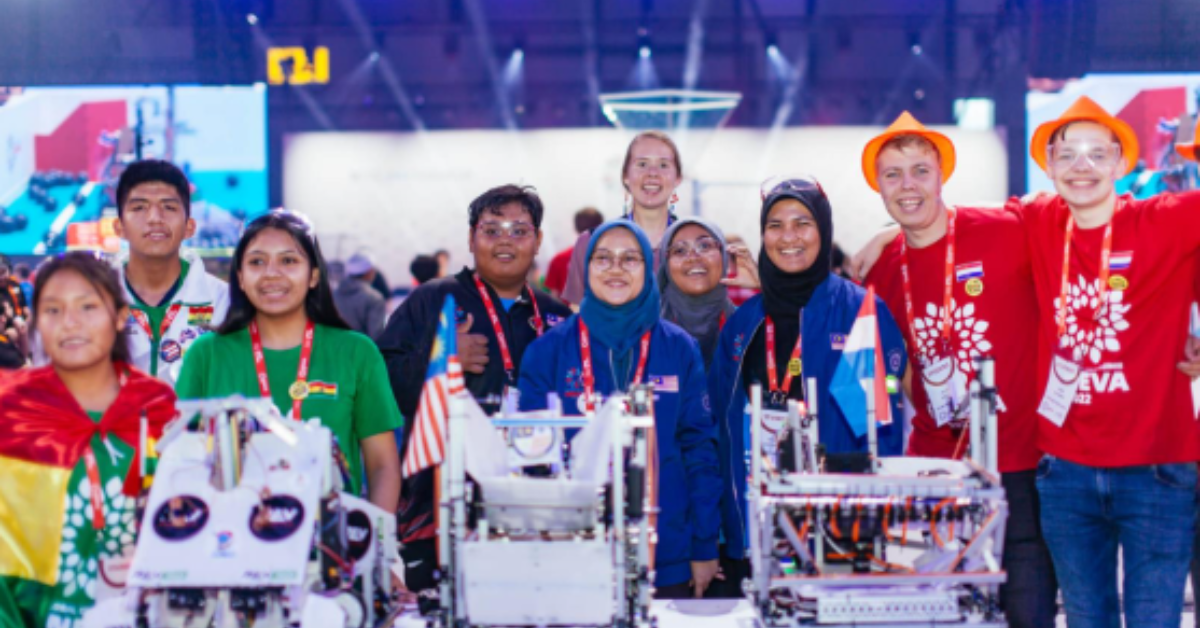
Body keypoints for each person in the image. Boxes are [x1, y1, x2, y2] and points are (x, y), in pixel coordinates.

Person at [859, 112, 1056, 626]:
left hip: (1021, 458)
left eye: (920, 170)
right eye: (893, 174)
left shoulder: (1005, 229)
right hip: (935, 465)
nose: (908, 185)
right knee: (940, 613)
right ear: (878, 186)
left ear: (941, 175)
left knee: (1026, 611)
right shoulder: (879, 270)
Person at [1013, 97, 1200, 626]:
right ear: (1048, 166)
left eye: (1099, 154)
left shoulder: (1166, 218)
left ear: (1122, 165)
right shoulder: (1036, 219)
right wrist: (887, 235)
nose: (1082, 167)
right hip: (1065, 469)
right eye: (1068, 155)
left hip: (1157, 467)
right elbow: (954, 227)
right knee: (1086, 618)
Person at [709, 177, 908, 595]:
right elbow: (720, 433)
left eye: (803, 223)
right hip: (757, 525)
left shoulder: (858, 312)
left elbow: (879, 436)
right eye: (775, 225)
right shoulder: (744, 324)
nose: (789, 237)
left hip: (841, 529)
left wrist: (874, 529)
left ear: (824, 229)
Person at [377, 184, 571, 592]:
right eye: (491, 229)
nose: (505, 240)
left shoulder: (553, 314)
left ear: (537, 241)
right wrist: (441, 362)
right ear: (470, 238)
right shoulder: (431, 300)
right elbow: (381, 385)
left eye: (519, 230)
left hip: (535, 504)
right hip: (441, 504)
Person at [517, 220, 721, 599]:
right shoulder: (548, 351)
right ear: (585, 268)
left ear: (648, 269)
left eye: (630, 259)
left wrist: (704, 544)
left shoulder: (679, 347)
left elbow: (700, 450)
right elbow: (530, 457)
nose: (615, 269)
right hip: (573, 547)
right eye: (603, 258)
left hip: (666, 550)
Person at [175, 210, 402, 513]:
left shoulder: (357, 352)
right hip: (231, 542)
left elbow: (382, 465)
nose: (272, 273)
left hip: (332, 545)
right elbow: (183, 460)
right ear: (240, 277)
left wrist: (377, 545)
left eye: (289, 261)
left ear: (314, 276)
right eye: (257, 262)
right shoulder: (206, 353)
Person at [0, 253, 176, 627]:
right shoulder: (9, 409)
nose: (71, 323)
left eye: (87, 307)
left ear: (119, 316)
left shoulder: (158, 407)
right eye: (53, 310)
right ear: (35, 322)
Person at [112, 160, 230, 388]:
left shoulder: (223, 300)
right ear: (119, 228)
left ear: (189, 227)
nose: (155, 218)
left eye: (169, 207)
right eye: (139, 208)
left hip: (195, 424)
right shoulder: (98, 298)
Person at [561, 131, 684, 305]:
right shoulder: (592, 242)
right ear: (626, 176)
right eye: (642, 164)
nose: (652, 173)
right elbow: (578, 313)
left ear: (678, 178)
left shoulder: (698, 247)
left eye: (663, 165)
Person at [657, 216, 745, 367]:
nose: (692, 258)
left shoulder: (748, 326)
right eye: (680, 250)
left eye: (704, 246)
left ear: (723, 256)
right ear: (666, 265)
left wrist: (765, 286)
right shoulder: (645, 329)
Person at [545, 207, 603, 301]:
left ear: (576, 228)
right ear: (601, 227)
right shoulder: (611, 260)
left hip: (568, 314)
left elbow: (554, 298)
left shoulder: (559, 259)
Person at [334, 252, 387, 339]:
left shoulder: (333, 294)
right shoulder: (374, 298)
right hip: (361, 351)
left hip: (334, 350)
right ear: (369, 272)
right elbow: (376, 335)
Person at [0, 253, 28, 320]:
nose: (1, 277)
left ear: (9, 271)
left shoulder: (15, 285)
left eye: (3, 272)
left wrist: (28, 318)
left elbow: (24, 307)